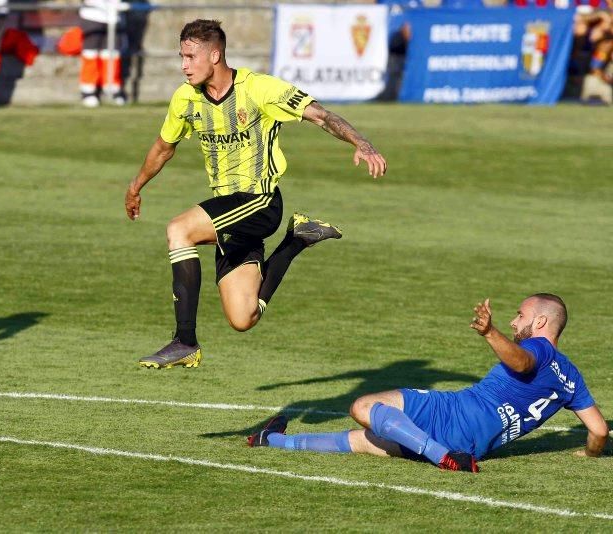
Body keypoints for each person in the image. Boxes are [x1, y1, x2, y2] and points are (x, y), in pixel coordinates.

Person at [125, 19, 387, 370]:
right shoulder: (185, 98)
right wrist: (135, 186)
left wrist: (362, 143)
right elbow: (163, 148)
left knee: (179, 230)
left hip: (260, 203)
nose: (184, 66)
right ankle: (297, 239)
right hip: (228, 215)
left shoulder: (259, 89)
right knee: (243, 317)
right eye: (181, 57)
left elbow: (321, 116)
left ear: (215, 55)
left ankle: (184, 340)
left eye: (190, 57)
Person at [248, 294, 608, 472]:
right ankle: (271, 439)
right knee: (362, 442)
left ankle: (441, 457)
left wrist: (489, 332)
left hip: (454, 413)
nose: (515, 322)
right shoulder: (571, 377)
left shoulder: (537, 349)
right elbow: (599, 431)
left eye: (521, 315)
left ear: (542, 321)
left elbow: (523, 361)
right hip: (474, 443)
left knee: (362, 408)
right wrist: (588, 454)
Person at [78, 0, 128, 107]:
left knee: (112, 55)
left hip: (115, 17)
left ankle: (113, 89)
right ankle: (88, 90)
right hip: (92, 15)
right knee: (90, 54)